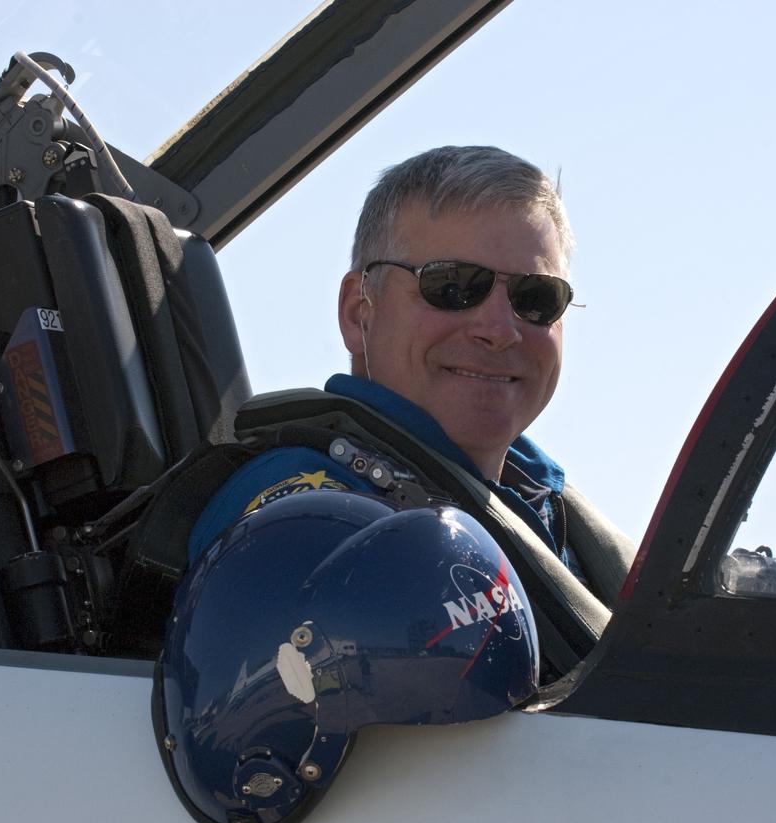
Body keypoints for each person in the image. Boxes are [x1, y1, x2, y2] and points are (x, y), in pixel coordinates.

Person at [187, 145, 630, 601]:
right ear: (359, 312)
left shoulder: (558, 520)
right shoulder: (310, 519)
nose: (500, 330)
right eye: (453, 286)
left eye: (537, 296)